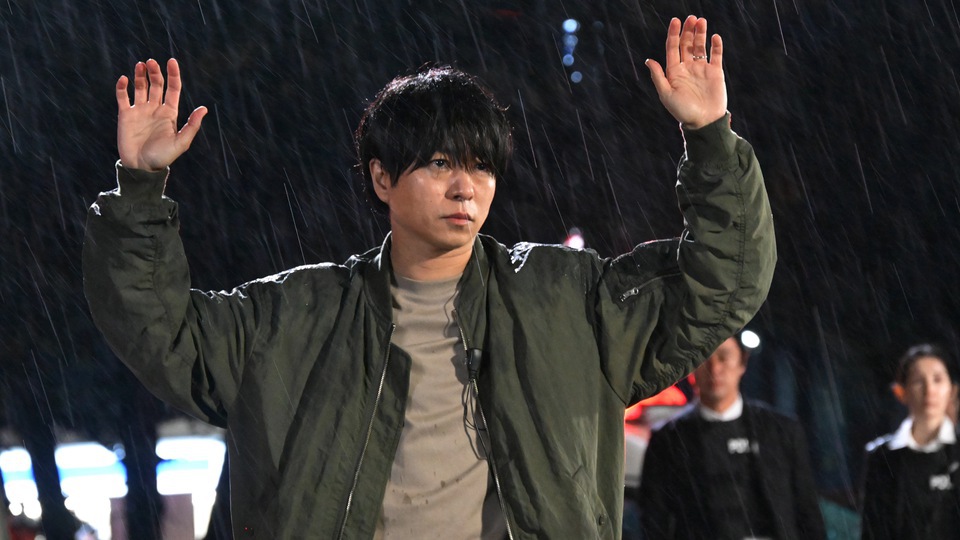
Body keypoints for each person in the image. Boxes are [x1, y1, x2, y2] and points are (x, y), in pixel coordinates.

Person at [82, 15, 776, 539]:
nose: (465, 187)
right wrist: (140, 187)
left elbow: (726, 279)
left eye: (481, 166)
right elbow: (161, 332)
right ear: (382, 178)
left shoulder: (565, 299)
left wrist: (710, 137)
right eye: (440, 163)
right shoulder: (296, 317)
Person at [636, 335, 825, 539]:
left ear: (742, 362)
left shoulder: (781, 431)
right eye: (705, 359)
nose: (715, 368)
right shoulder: (668, 440)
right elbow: (654, 522)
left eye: (724, 357)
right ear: (691, 369)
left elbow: (808, 512)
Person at [860, 344, 960, 539]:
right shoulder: (881, 457)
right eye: (918, 381)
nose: (929, 390)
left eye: (938, 379)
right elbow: (871, 529)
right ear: (901, 392)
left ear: (952, 390)